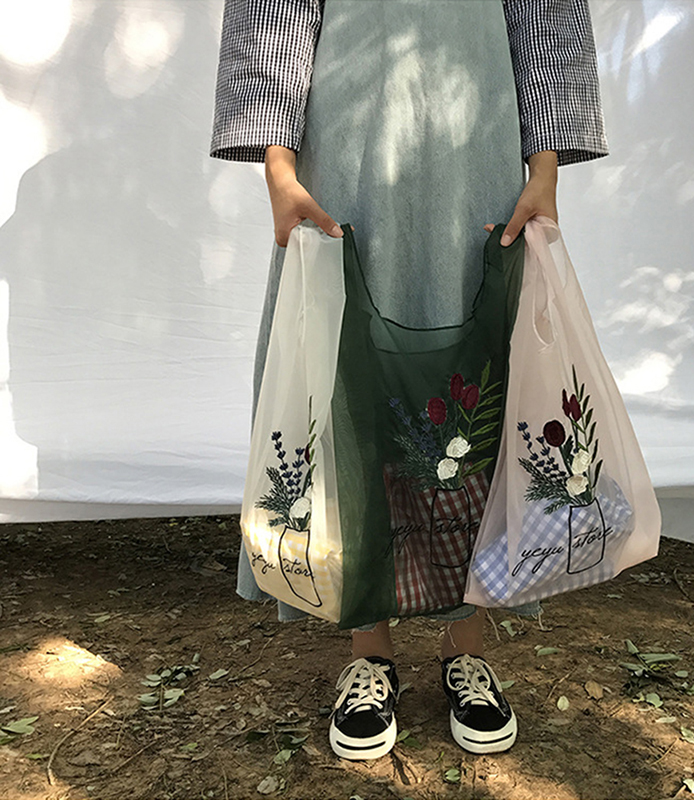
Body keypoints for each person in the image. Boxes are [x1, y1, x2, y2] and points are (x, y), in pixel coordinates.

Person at [211, 0, 608, 761]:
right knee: (346, 369)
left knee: (481, 366)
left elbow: (546, 11)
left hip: (478, 145)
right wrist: (279, 168)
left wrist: (544, 168)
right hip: (348, 147)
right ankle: (370, 653)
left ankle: (467, 646)